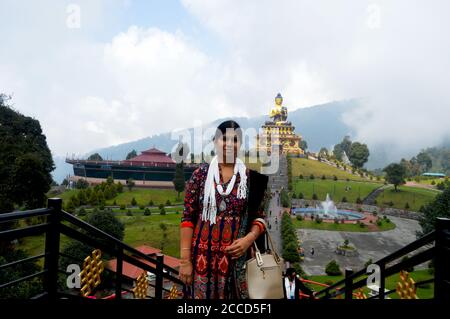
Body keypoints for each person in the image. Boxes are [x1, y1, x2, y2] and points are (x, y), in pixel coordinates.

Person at [179, 120, 269, 299]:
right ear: (215, 141)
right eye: (224, 139)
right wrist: (184, 261)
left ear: (240, 144)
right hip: (201, 260)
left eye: (235, 140)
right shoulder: (200, 176)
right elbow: (188, 218)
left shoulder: (250, 179)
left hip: (237, 262)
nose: (229, 144)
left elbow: (260, 219)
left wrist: (248, 240)